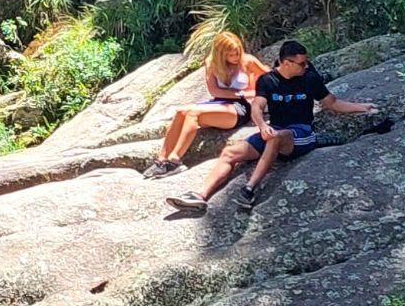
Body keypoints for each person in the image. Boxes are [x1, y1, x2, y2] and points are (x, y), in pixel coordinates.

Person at [164, 39, 379, 213]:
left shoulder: (310, 78)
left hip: (300, 134)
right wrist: (261, 126)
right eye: (301, 63)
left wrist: (361, 107)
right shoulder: (267, 81)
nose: (305, 66)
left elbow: (332, 103)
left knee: (276, 137)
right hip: (273, 130)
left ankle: (249, 190)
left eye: (305, 63)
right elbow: (257, 107)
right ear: (286, 63)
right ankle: (199, 196)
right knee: (230, 152)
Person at [150, 29, 260, 174]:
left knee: (193, 114)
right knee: (181, 112)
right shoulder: (212, 63)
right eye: (230, 55)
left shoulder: (248, 61)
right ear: (221, 54)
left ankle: (174, 160)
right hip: (219, 102)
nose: (235, 57)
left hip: (240, 107)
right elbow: (214, 91)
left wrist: (250, 94)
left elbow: (269, 77)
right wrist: (238, 93)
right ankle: (161, 160)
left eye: (237, 53)